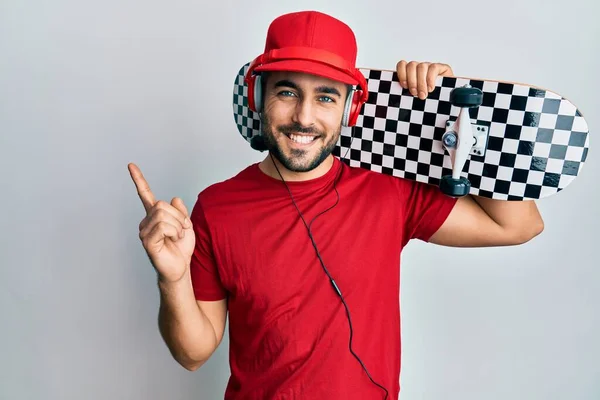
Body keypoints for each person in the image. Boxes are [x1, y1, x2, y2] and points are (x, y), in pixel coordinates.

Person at [128, 10, 544, 400]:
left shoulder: (389, 189)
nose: (304, 117)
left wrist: (458, 116)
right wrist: (173, 278)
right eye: (287, 92)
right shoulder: (216, 208)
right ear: (257, 97)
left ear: (350, 109)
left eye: (326, 97)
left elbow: (519, 225)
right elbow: (193, 353)